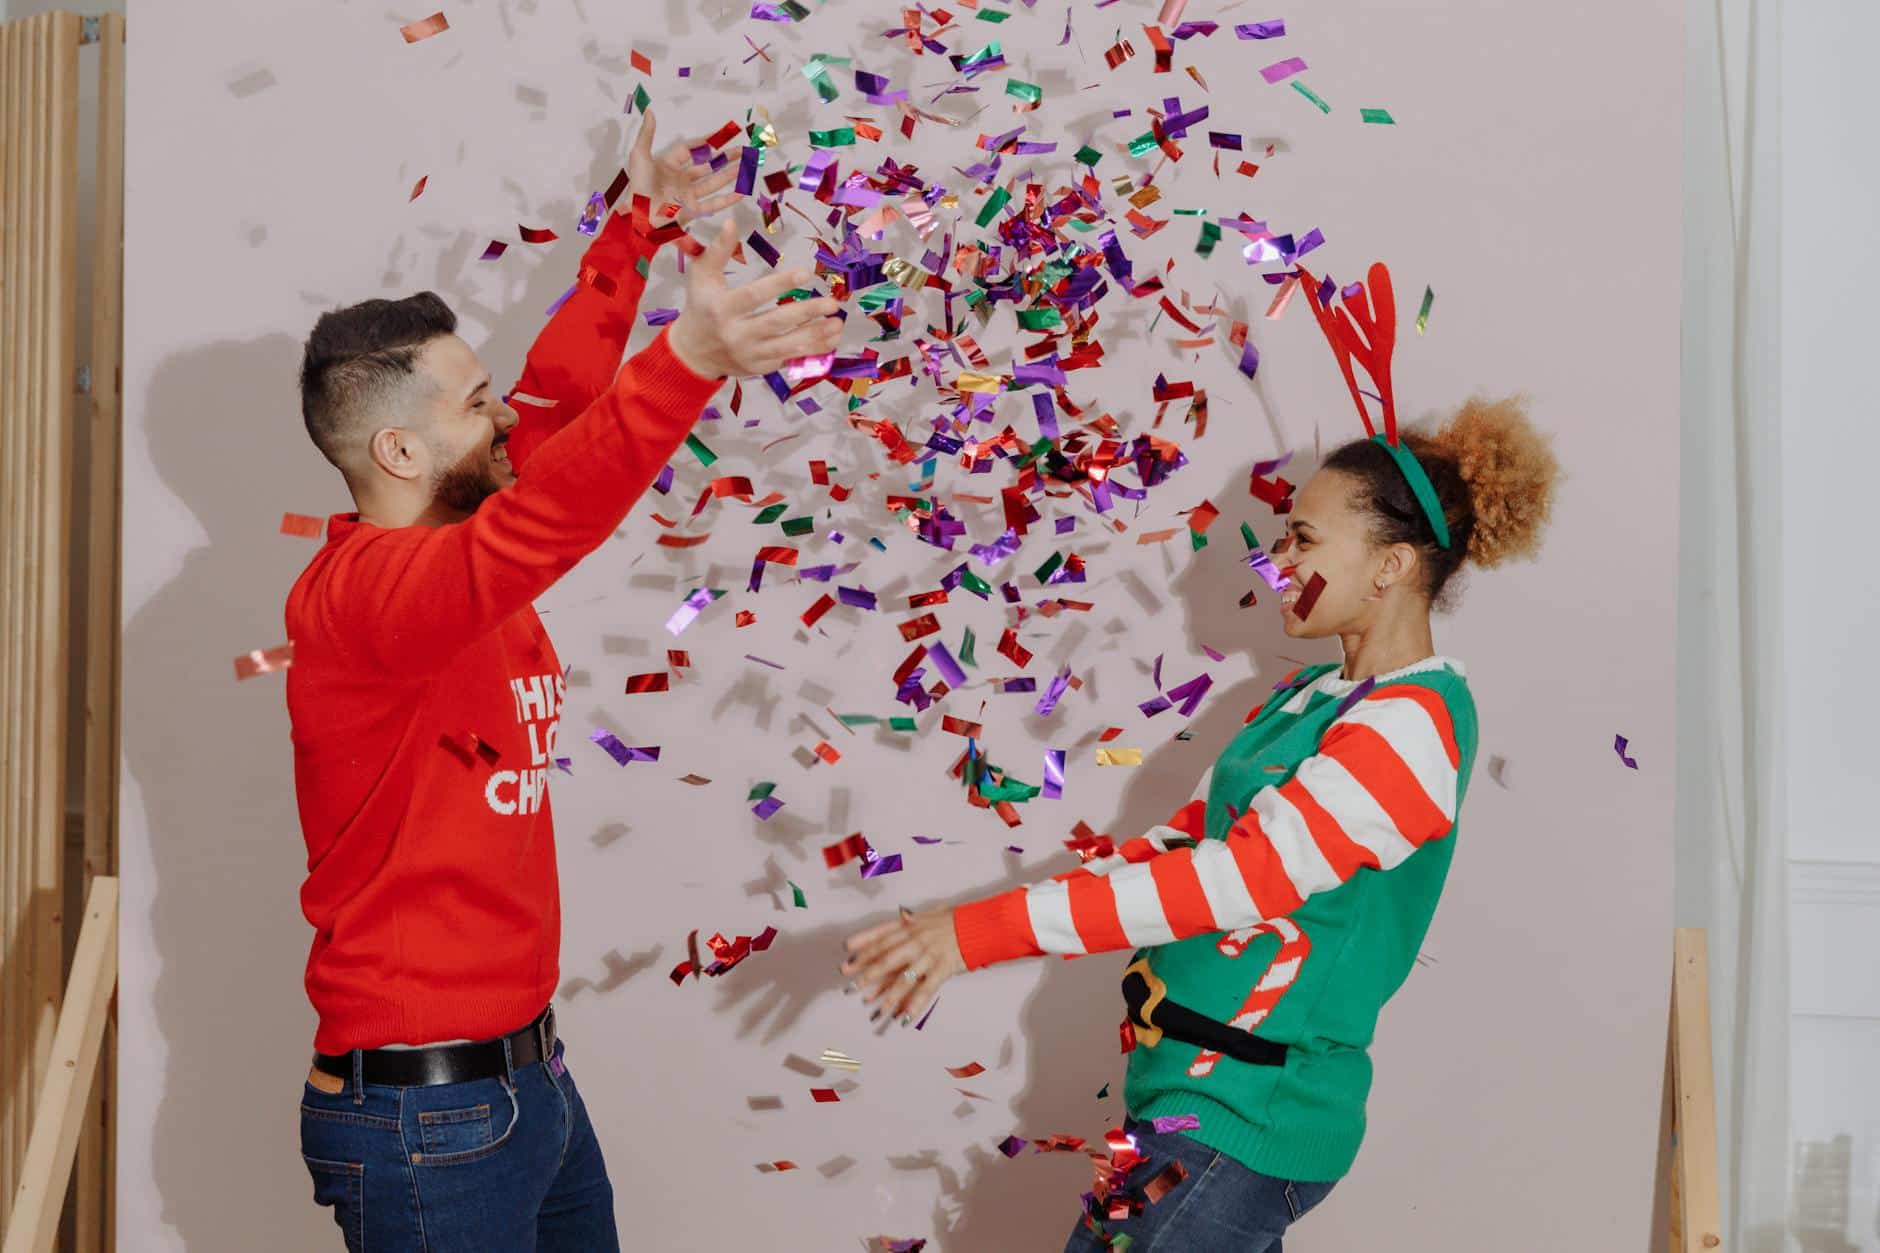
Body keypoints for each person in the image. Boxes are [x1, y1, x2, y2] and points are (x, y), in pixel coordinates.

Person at [286, 113, 842, 1252]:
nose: (504, 417)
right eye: (473, 402)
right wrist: (684, 363)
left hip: (526, 1077)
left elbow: (550, 415)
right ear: (398, 452)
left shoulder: (458, 511)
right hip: (423, 1114)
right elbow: (541, 524)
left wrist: (630, 230)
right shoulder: (367, 600)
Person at [843, 385, 1561, 1250]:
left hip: (1247, 1115)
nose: (1277, 562)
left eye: (1302, 538)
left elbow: (1240, 881)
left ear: (1389, 565)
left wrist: (978, 933)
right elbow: (1173, 849)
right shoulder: (1310, 699)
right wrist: (963, 929)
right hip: (1191, 1102)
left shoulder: (1414, 722)